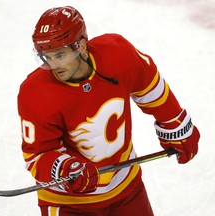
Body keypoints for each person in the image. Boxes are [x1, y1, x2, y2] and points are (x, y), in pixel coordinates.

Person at [17, 6, 200, 216]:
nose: (53, 65)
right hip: (69, 203)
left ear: (81, 46)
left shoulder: (117, 54)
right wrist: (66, 168)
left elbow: (150, 85)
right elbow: (37, 155)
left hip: (126, 188)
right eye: (46, 57)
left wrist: (174, 123)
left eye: (59, 55)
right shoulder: (36, 93)